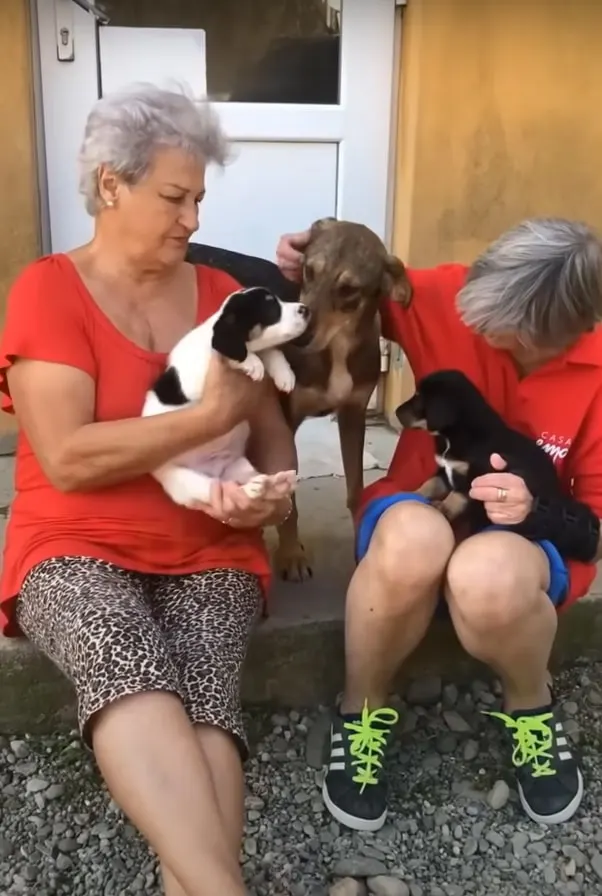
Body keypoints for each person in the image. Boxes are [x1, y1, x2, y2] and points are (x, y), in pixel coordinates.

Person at [0, 84, 297, 896]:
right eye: (174, 197)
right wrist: (207, 418)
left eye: (199, 199)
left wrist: (272, 495)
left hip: (212, 543)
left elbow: (269, 431)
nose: (193, 219)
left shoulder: (220, 296)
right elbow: (68, 458)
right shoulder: (48, 290)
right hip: (74, 543)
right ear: (110, 185)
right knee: (121, 656)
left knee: (207, 696)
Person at [276, 218, 602, 832]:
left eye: (497, 327)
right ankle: (360, 711)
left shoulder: (597, 371)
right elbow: (346, 282)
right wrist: (297, 261)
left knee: (488, 573)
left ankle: (532, 707)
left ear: (555, 330)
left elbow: (595, 528)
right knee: (413, 540)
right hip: (420, 504)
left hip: (517, 545)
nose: (475, 327)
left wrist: (536, 511)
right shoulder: (447, 296)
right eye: (474, 310)